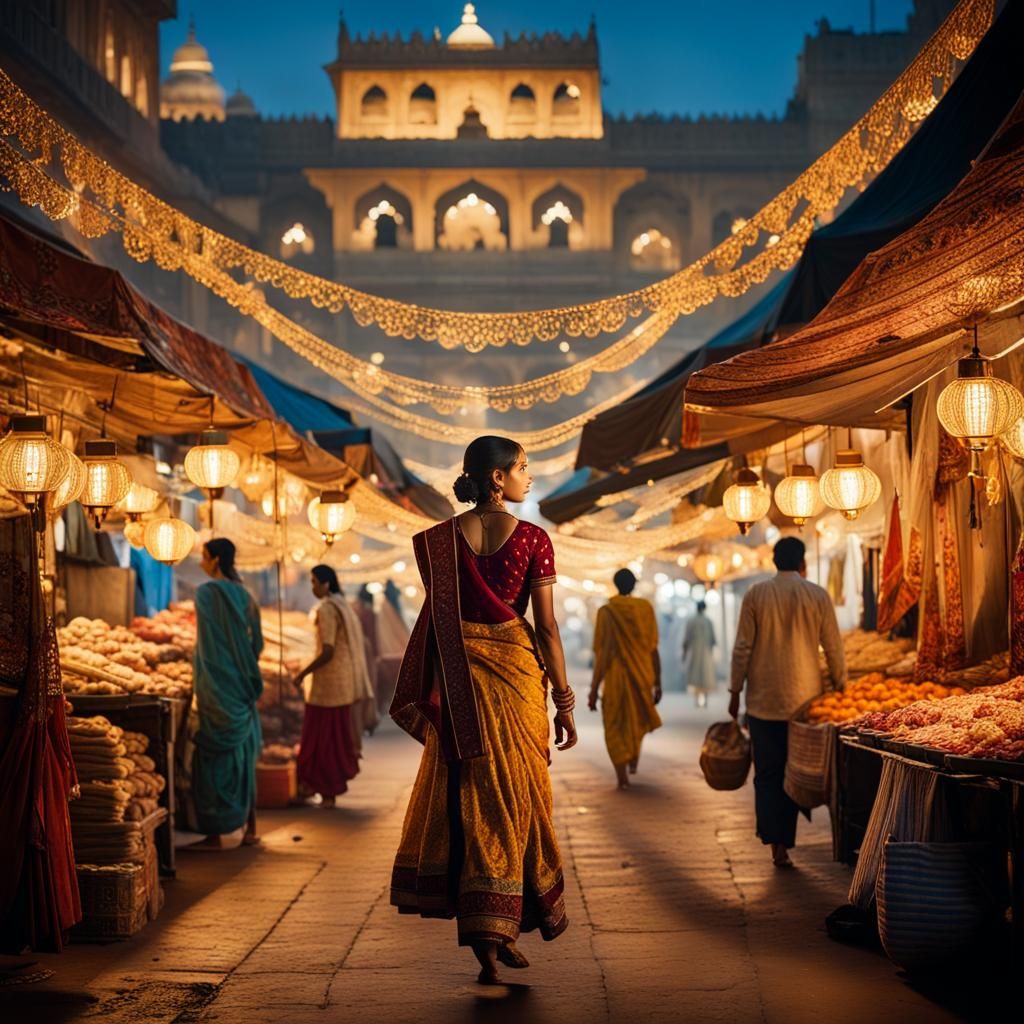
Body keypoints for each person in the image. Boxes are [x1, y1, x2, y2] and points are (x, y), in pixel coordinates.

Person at [389, 436, 577, 986]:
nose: (529, 477)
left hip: (460, 684)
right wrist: (564, 702)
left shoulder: (440, 541)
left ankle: (490, 939)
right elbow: (546, 628)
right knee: (516, 800)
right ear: (497, 478)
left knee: (470, 803)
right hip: (516, 682)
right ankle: (497, 930)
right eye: (522, 468)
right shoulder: (535, 540)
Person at [729, 536, 845, 868]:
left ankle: (777, 845)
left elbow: (742, 648)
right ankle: (786, 839)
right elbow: (834, 647)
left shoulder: (756, 595)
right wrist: (841, 686)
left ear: (774, 562)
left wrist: (735, 691)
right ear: (803, 563)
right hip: (805, 702)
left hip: (763, 702)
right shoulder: (817, 595)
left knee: (767, 773)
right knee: (795, 772)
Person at [187, 538, 264, 850]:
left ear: (216, 559)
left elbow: (206, 647)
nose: (202, 563)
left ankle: (215, 834)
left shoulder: (205, 593)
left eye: (205, 557)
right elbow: (256, 644)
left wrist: (209, 675)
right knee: (243, 757)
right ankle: (251, 829)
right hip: (241, 687)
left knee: (211, 759)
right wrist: (241, 667)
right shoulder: (247, 596)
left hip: (215, 687)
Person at [293, 565, 373, 806]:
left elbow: (327, 650)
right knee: (335, 739)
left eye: (314, 582)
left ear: (326, 584)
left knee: (323, 739)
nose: (313, 587)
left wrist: (303, 673)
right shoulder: (343, 605)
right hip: (343, 683)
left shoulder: (328, 608)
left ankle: (325, 791)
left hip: (328, 686)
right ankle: (323, 790)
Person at [588, 568, 662, 789]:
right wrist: (658, 681)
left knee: (614, 724)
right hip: (643, 675)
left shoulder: (607, 613)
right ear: (634, 585)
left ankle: (622, 776)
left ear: (616, 584)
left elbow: (602, 654)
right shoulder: (645, 609)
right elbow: (653, 648)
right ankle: (632, 758)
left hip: (615, 678)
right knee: (636, 719)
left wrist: (594, 690)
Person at [683, 600, 717, 708]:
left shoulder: (692, 621)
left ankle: (697, 700)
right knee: (705, 677)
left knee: (696, 677)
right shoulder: (708, 621)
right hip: (706, 654)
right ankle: (705, 700)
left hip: (695, 653)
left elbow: (686, 639)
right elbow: (713, 640)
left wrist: (684, 653)